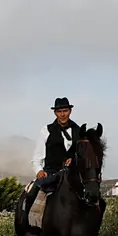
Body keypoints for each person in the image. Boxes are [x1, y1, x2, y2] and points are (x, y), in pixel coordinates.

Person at [21, 97, 78, 229]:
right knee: (33, 193)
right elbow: (37, 156)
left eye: (65, 110)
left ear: (70, 111)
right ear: (55, 113)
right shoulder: (46, 131)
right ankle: (31, 232)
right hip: (51, 173)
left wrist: (74, 159)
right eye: (59, 111)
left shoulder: (79, 131)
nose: (62, 114)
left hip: (72, 174)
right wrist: (39, 171)